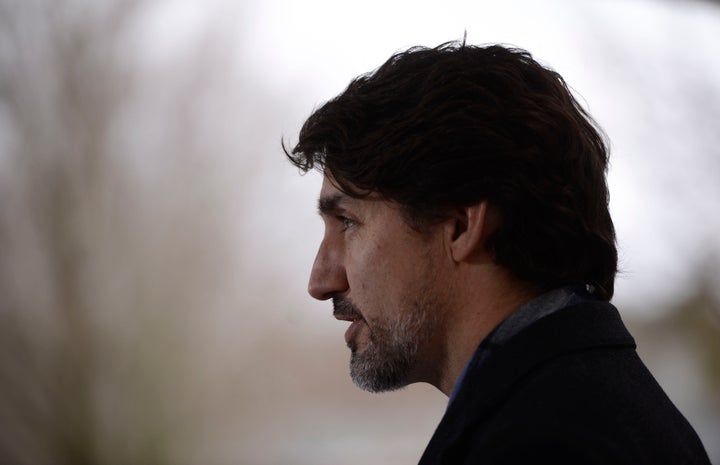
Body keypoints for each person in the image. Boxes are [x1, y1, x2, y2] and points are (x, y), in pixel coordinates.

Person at [284, 41, 711, 464]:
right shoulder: (594, 408)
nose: (320, 282)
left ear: (461, 225)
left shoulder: (545, 444)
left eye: (347, 223)